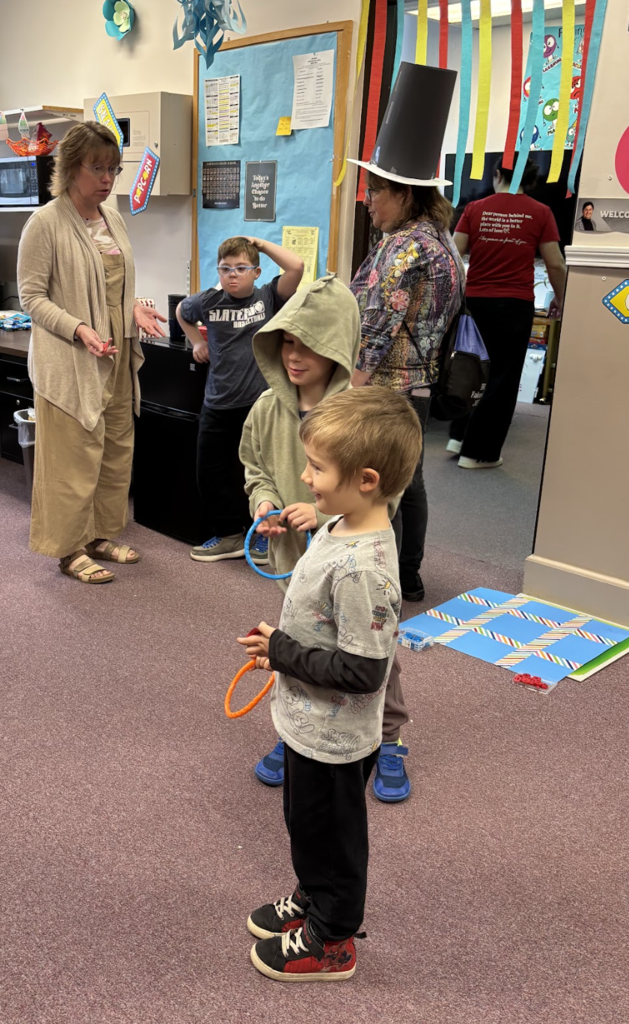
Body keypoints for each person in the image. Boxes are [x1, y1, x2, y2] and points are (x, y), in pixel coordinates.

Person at [237, 386, 423, 982]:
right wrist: (319, 513)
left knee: (333, 839)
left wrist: (282, 651)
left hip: (336, 737)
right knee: (306, 824)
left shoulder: (365, 569)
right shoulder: (346, 520)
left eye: (318, 468)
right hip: (307, 723)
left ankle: (334, 938)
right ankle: (313, 897)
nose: (304, 475)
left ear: (367, 480)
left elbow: (366, 672)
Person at [240, 274, 413, 803]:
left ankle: (387, 739)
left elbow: (387, 490)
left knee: (368, 647)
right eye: (287, 342)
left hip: (351, 556)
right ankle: (299, 731)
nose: (294, 356)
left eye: (309, 344)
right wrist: (265, 505)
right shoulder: (266, 408)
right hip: (294, 561)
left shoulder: (362, 415)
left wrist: (322, 519)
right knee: (302, 639)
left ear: (338, 346)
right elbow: (255, 467)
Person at [18, 122, 167, 583]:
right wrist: (78, 328)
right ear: (69, 168)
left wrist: (134, 313)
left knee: (114, 448)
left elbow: (117, 287)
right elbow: (31, 298)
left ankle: (100, 534)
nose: (107, 179)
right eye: (97, 168)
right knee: (73, 455)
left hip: (116, 352)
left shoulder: (113, 218)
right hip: (70, 359)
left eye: (113, 169)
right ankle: (68, 548)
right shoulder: (45, 223)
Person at [349, 173, 464, 602]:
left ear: (405, 194)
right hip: (421, 383)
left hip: (386, 386)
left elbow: (377, 326)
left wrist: (349, 386)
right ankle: (408, 574)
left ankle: (383, 586)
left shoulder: (405, 247)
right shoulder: (441, 239)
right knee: (409, 483)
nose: (368, 201)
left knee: (382, 489)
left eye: (375, 192)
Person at [176, 236, 303, 563]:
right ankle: (230, 535)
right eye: (225, 269)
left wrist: (259, 243)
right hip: (217, 402)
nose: (232, 275)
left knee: (262, 472)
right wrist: (195, 343)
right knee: (211, 472)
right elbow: (181, 312)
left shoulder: (269, 296)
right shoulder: (208, 300)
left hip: (259, 405)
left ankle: (263, 535)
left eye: (241, 268)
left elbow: (297, 266)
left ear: (256, 271)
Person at [449, 156, 567, 468]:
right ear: (531, 180)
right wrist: (560, 296)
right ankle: (478, 453)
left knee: (470, 367)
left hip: (474, 302)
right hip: (514, 305)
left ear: (497, 174)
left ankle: (458, 437)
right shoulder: (541, 212)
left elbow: (452, 254)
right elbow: (555, 263)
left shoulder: (475, 209)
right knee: (502, 378)